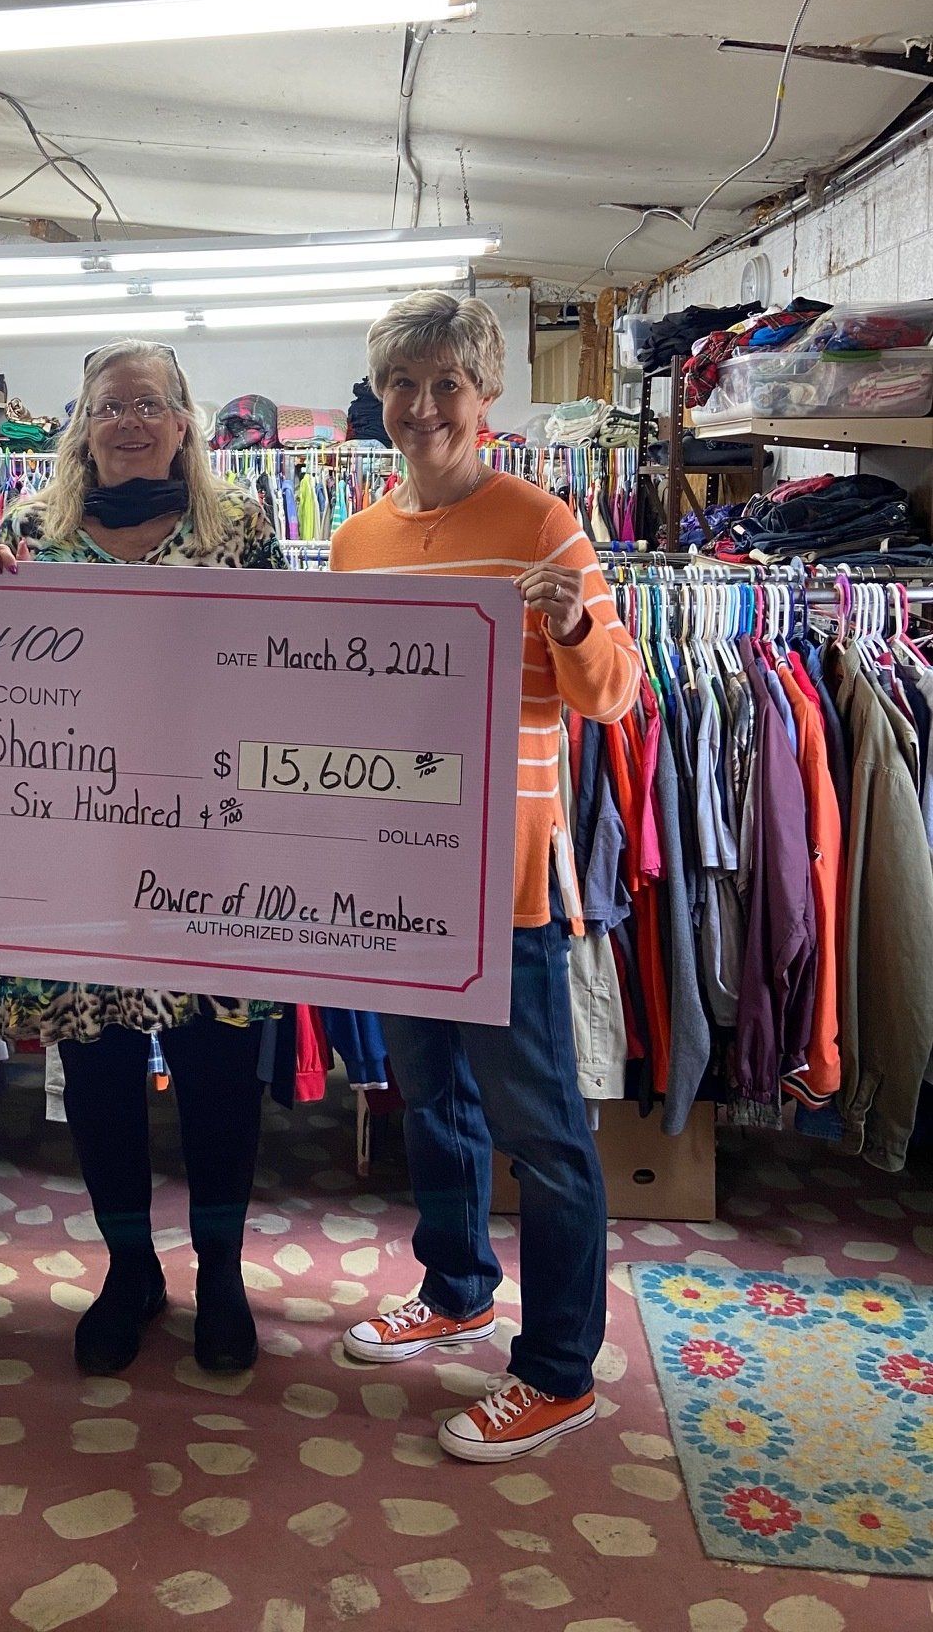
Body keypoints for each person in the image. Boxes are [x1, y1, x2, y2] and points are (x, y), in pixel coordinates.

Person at [330, 291, 642, 1461]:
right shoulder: (356, 538)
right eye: (402, 387)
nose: (420, 409)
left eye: (444, 386)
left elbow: (612, 696)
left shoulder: (547, 521)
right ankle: (457, 1284)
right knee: (432, 1100)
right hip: (392, 873)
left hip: (504, 882)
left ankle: (560, 1371)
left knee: (546, 1132)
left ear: (485, 394)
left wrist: (572, 628)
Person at [0, 339, 286, 1376]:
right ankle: (128, 1269)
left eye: (152, 403)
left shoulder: (239, 531)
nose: (133, 421)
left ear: (184, 421)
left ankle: (223, 1272)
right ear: (83, 425)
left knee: (215, 1068)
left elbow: (287, 670)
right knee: (96, 1063)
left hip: (213, 849)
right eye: (112, 406)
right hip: (73, 851)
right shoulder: (27, 534)